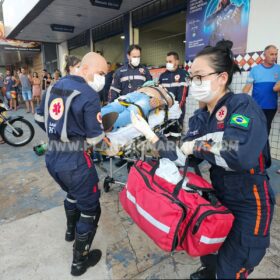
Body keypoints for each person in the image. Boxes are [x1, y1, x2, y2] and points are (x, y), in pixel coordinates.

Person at [131, 40, 275, 279]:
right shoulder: (199, 118)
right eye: (192, 77)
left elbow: (239, 154)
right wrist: (151, 135)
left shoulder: (242, 106)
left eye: (199, 77)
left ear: (222, 78)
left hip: (249, 200)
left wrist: (196, 145)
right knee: (210, 247)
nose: (193, 82)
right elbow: (183, 157)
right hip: (217, 195)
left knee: (234, 265)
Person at [34, 52, 107, 276]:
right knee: (91, 209)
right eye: (101, 73)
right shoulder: (89, 94)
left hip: (53, 156)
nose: (102, 78)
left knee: (72, 194)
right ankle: (79, 262)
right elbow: (95, 139)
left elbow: (39, 119)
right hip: (75, 161)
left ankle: (70, 232)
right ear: (85, 69)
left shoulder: (53, 87)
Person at [109, 44, 152, 166]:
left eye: (138, 56)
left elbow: (150, 88)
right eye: (134, 56)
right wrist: (112, 108)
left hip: (140, 109)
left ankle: (138, 160)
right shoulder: (120, 72)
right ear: (128, 56)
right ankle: (125, 158)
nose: (137, 58)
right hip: (125, 109)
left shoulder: (144, 71)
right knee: (126, 134)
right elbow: (113, 92)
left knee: (139, 136)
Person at [243, 45, 280, 136]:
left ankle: (263, 149)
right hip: (256, 106)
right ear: (264, 55)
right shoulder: (255, 70)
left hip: (271, 107)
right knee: (254, 129)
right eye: (271, 54)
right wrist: (240, 101)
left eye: (276, 54)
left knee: (266, 129)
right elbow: (247, 87)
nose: (274, 57)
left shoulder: (279, 69)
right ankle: (254, 149)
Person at [101, 85, 174, 131]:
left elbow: (168, 103)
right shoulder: (153, 83)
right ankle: (96, 118)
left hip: (148, 100)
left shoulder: (168, 95)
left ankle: (108, 125)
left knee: (132, 112)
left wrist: (159, 102)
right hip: (135, 94)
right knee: (115, 105)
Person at [159, 51, 188, 136]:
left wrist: (177, 109)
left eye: (170, 61)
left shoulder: (183, 74)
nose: (168, 64)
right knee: (164, 136)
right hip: (164, 112)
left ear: (177, 61)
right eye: (167, 62)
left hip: (177, 111)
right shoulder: (162, 76)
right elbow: (160, 93)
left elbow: (183, 95)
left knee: (175, 135)